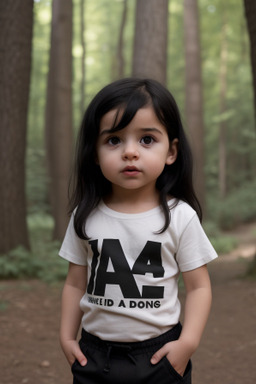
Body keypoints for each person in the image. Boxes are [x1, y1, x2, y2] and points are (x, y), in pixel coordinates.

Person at [59, 78, 218, 384]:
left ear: (171, 151)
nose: (130, 152)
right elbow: (75, 282)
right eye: (114, 140)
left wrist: (188, 343)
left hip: (159, 356)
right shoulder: (85, 215)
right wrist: (67, 337)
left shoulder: (180, 216)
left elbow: (199, 287)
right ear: (94, 152)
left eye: (146, 139)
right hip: (94, 353)